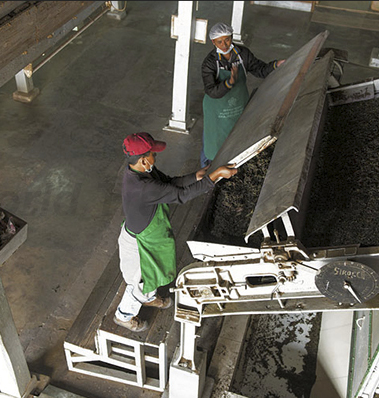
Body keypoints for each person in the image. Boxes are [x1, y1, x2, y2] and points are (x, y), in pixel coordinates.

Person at [114, 132, 238, 332]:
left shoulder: (143, 172)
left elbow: (170, 183)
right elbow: (181, 196)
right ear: (144, 160)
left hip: (150, 237)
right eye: (153, 154)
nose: (156, 157)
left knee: (155, 272)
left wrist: (197, 176)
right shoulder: (143, 187)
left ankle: (149, 298)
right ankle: (124, 315)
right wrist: (214, 177)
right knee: (140, 281)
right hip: (139, 245)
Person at [200, 22, 286, 168]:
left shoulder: (242, 54)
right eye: (220, 41)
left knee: (237, 140)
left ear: (232, 37)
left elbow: (260, 69)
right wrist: (229, 82)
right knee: (213, 144)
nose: (224, 44)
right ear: (213, 42)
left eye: (227, 39)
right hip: (217, 110)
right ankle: (207, 171)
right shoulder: (209, 63)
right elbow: (212, 91)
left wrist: (275, 65)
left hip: (239, 104)